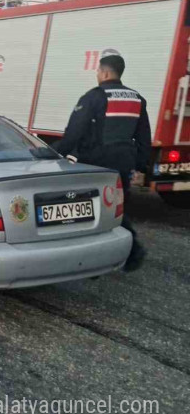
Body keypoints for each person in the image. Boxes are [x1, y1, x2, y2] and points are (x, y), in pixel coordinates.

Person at [52, 54, 150, 271]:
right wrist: (141, 165)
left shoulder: (93, 98)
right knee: (115, 208)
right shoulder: (137, 99)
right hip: (122, 165)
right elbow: (144, 137)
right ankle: (116, 253)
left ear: (104, 72)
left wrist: (54, 154)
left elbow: (74, 133)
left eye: (98, 71)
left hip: (94, 165)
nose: (97, 75)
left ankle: (125, 252)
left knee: (84, 210)